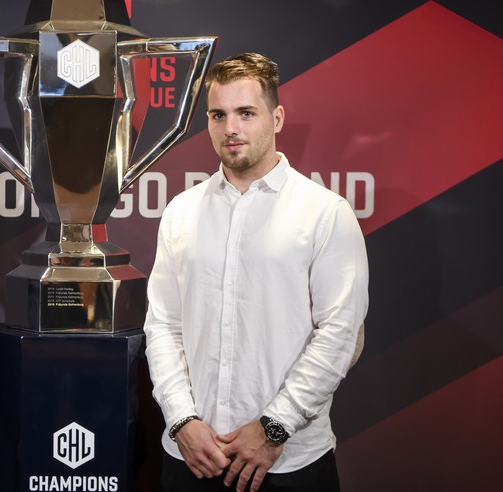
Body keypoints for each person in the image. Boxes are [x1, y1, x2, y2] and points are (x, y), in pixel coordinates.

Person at [143, 52, 369, 492]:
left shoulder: (325, 213)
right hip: (193, 458)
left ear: (277, 117)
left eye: (246, 113)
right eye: (218, 115)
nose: (231, 128)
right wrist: (181, 420)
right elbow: (163, 326)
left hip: (288, 463)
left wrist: (274, 428)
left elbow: (339, 333)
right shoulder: (181, 213)